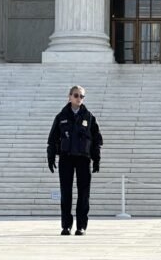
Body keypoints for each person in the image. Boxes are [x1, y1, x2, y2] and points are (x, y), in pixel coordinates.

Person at [47, 85, 103, 236]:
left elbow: (97, 140)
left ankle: (81, 226)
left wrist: (96, 159)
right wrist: (51, 157)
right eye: (76, 95)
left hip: (84, 159)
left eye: (82, 96)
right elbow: (52, 139)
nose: (79, 98)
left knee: (84, 194)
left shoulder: (89, 117)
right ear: (70, 96)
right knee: (66, 194)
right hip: (66, 158)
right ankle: (66, 226)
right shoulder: (61, 116)